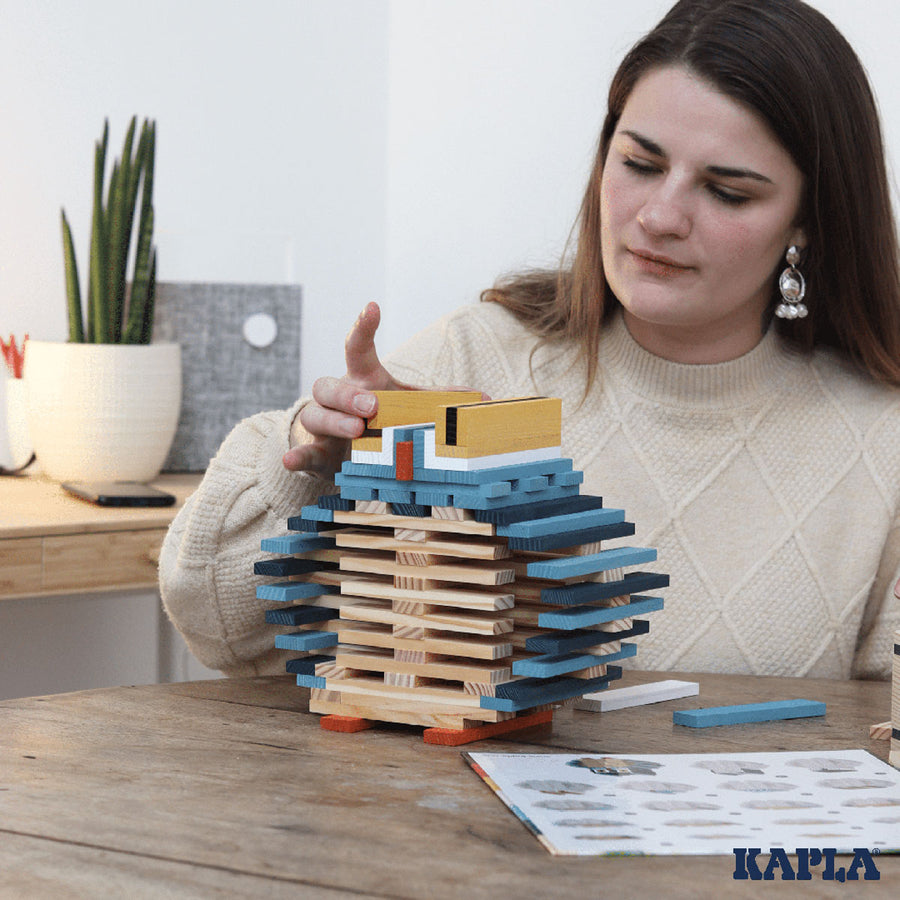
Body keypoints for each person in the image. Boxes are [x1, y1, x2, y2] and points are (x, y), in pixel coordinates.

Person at [160, 0, 900, 682]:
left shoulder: (881, 443)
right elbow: (220, 630)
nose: (660, 216)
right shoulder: (473, 361)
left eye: (727, 191)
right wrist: (310, 465)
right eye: (638, 164)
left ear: (808, 219)